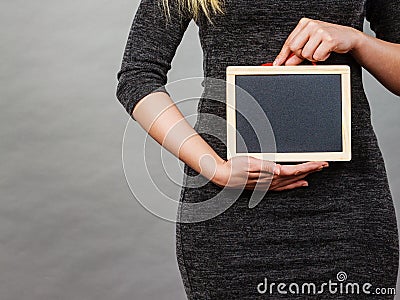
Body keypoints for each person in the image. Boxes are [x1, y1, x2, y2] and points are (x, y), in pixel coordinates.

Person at [116, 0, 400, 298]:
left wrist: (357, 41)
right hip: (230, 214)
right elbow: (138, 76)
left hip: (348, 210)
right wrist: (216, 168)